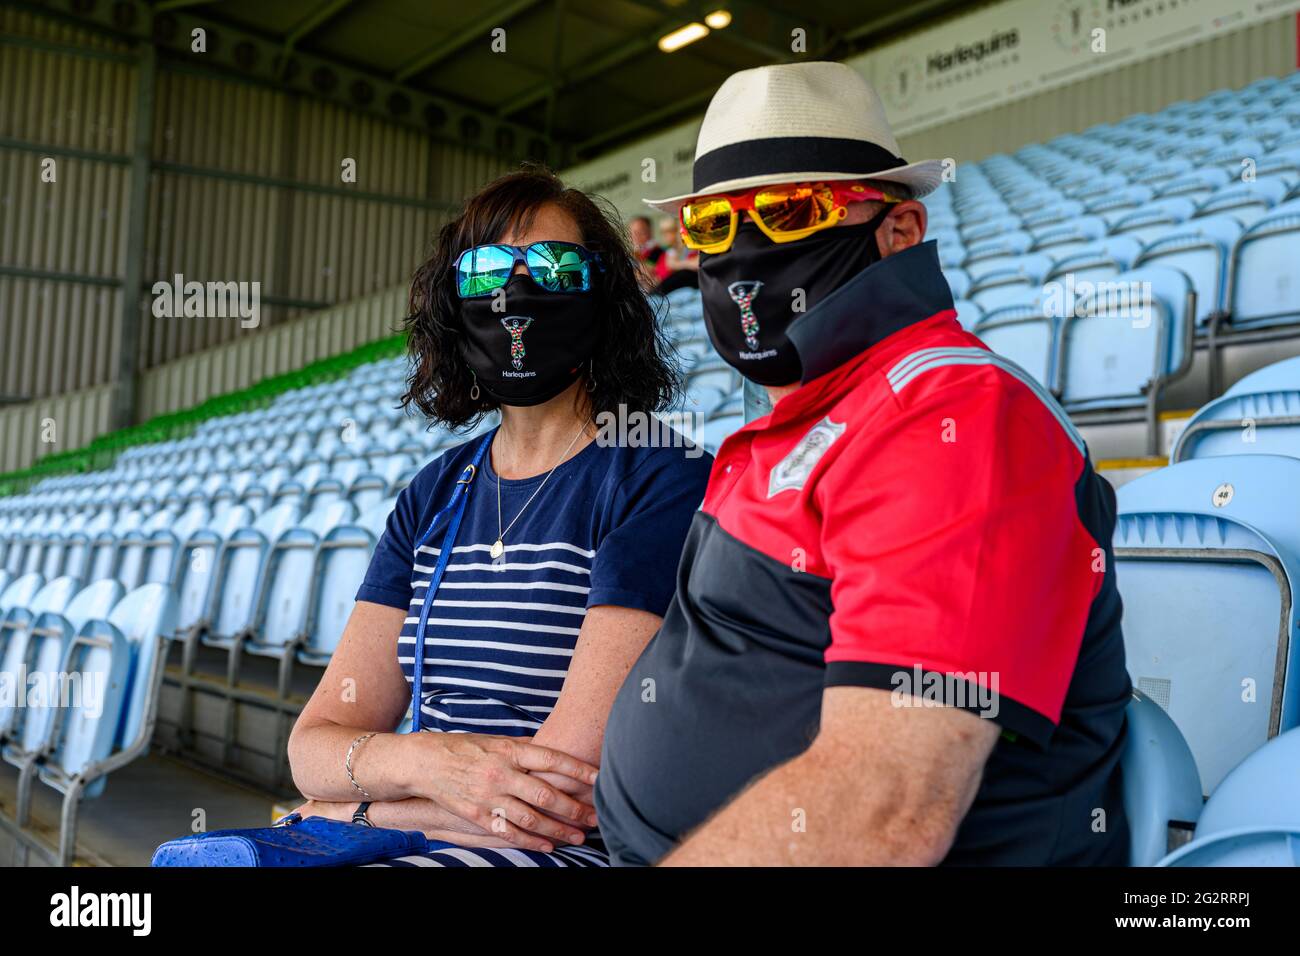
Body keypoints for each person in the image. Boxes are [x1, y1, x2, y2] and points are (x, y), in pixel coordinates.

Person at [595, 62, 1132, 866]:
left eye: (789, 211)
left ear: (900, 232)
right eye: (710, 225)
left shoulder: (955, 419)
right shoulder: (808, 408)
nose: (742, 249)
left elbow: (886, 815)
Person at [287, 167, 712, 867]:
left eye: (554, 267)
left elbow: (559, 794)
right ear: (454, 304)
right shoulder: (434, 492)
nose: (515, 294)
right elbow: (314, 743)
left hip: (567, 851)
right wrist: (423, 766)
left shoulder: (659, 477)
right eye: (483, 271)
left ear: (602, 297)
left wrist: (352, 806)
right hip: (433, 830)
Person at [651, 215, 700, 295]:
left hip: (686, 291)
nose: (666, 235)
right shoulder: (666, 253)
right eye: (663, 232)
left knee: (685, 273)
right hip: (667, 294)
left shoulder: (692, 248)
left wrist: (676, 264)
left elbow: (700, 263)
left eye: (670, 231)